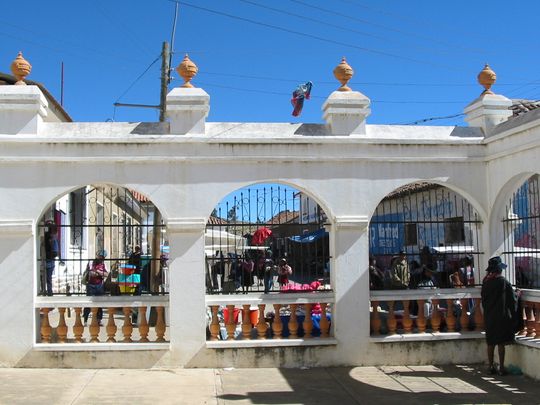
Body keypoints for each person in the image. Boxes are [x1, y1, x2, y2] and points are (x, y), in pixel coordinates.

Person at [481, 256, 519, 376]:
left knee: (491, 342)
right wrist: (517, 294)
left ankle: (491, 366)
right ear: (499, 269)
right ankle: (502, 368)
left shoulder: (485, 282)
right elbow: (512, 300)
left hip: (489, 316)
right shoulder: (503, 282)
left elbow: (483, 300)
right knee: (501, 343)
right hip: (501, 316)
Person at [83, 250, 109, 325]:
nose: (101, 258)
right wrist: (91, 273)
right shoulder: (91, 262)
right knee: (88, 302)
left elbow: (107, 274)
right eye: (100, 256)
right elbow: (87, 271)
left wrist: (99, 272)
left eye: (102, 257)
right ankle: (85, 320)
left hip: (99, 285)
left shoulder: (103, 264)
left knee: (99, 303)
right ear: (97, 255)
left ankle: (99, 319)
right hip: (90, 284)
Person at [44, 220, 60, 296]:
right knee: (48, 278)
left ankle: (49, 292)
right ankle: (48, 292)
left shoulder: (51, 238)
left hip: (48, 259)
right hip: (50, 260)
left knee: (47, 278)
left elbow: (54, 252)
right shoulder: (54, 238)